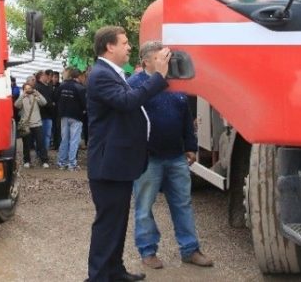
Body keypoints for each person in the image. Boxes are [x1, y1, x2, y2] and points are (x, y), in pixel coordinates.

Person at [86, 25, 171, 282]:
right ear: (109, 46)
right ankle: (99, 276)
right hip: (108, 164)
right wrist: (158, 77)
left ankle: (114, 270)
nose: (129, 47)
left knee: (118, 223)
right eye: (124, 43)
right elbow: (127, 102)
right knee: (108, 224)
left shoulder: (113, 73)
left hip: (117, 163)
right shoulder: (101, 74)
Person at [128, 41, 214, 270]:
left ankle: (190, 249)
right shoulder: (134, 85)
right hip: (148, 158)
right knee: (145, 206)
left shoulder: (174, 83)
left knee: (183, 204)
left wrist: (190, 145)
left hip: (176, 156)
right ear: (146, 61)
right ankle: (148, 251)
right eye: (160, 57)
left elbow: (185, 115)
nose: (166, 61)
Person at [57, 68, 86, 171]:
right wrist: (83, 111)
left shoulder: (62, 86)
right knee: (74, 140)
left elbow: (57, 99)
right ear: (78, 76)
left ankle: (61, 162)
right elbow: (85, 104)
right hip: (76, 117)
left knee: (64, 139)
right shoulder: (80, 88)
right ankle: (72, 164)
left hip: (64, 116)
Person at [14, 82, 49, 169]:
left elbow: (44, 103)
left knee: (41, 143)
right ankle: (27, 161)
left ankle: (44, 161)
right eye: (26, 89)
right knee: (26, 144)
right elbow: (16, 105)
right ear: (23, 90)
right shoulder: (22, 97)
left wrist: (38, 94)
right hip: (26, 125)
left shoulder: (35, 96)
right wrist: (22, 96)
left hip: (37, 123)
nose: (28, 90)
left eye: (29, 88)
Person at [34, 69, 57, 153]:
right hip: (41, 115)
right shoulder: (37, 87)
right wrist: (51, 105)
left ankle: (44, 153)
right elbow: (42, 102)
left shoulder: (48, 86)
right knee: (41, 136)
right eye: (44, 75)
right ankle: (41, 153)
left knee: (47, 135)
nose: (46, 76)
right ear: (40, 76)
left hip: (49, 115)